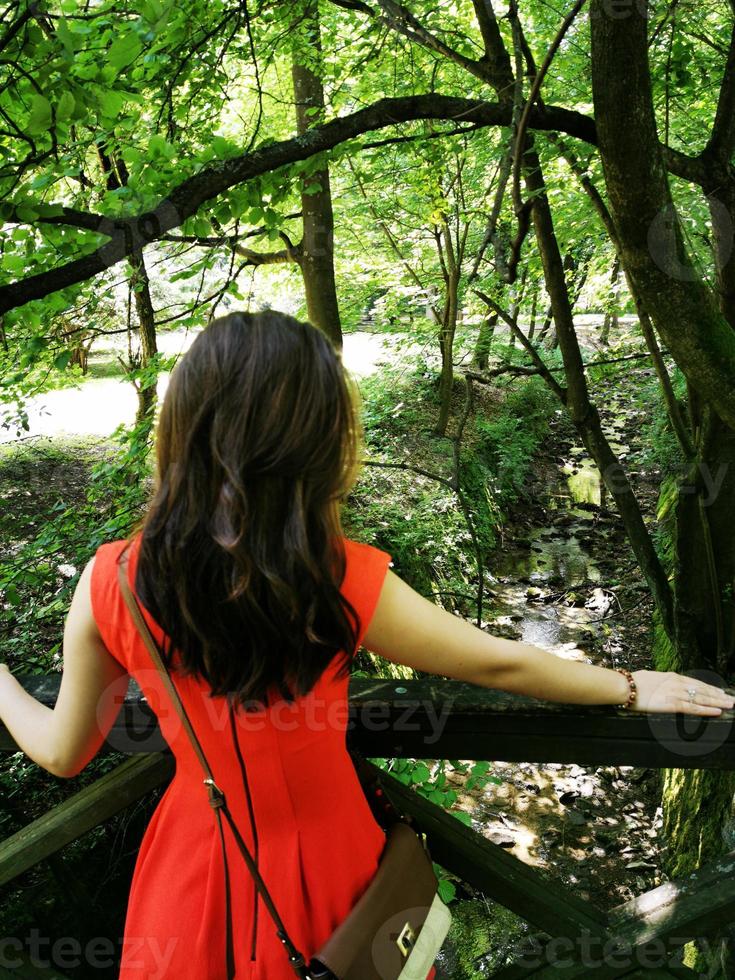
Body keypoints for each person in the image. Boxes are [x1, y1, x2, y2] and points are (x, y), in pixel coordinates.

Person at [0, 310, 732, 980]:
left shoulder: (112, 583)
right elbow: (498, 660)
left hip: (192, 867)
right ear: (313, 441)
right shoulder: (337, 578)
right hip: (335, 861)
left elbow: (63, 752)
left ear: (182, 430)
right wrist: (629, 686)